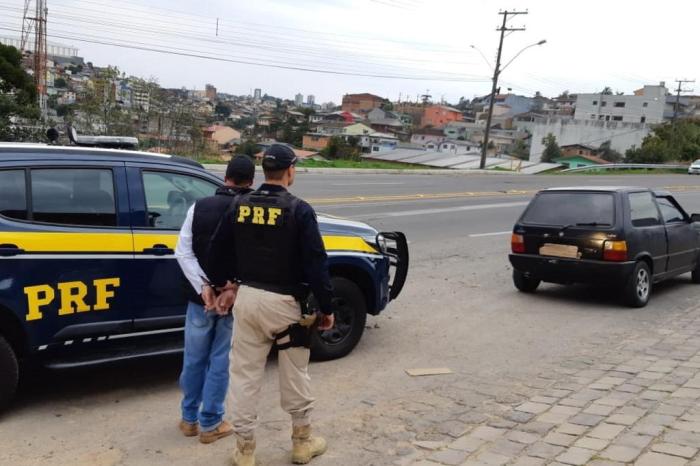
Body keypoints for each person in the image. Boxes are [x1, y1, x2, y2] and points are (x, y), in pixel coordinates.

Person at [208, 144, 335, 465]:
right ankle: (302, 444)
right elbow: (317, 264)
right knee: (295, 373)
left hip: (248, 300)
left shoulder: (239, 205)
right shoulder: (300, 210)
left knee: (244, 376)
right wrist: (327, 308)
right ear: (291, 170)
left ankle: (245, 451)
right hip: (288, 306)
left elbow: (215, 251)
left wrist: (225, 283)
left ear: (265, 171)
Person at [174, 155, 255, 444]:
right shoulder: (252, 211)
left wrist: (204, 286)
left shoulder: (199, 207)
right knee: (221, 360)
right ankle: (211, 423)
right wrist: (232, 290)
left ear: (226, 178)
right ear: (251, 182)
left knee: (194, 358)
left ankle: (188, 419)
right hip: (233, 301)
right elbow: (257, 258)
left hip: (200, 300)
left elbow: (182, 252)